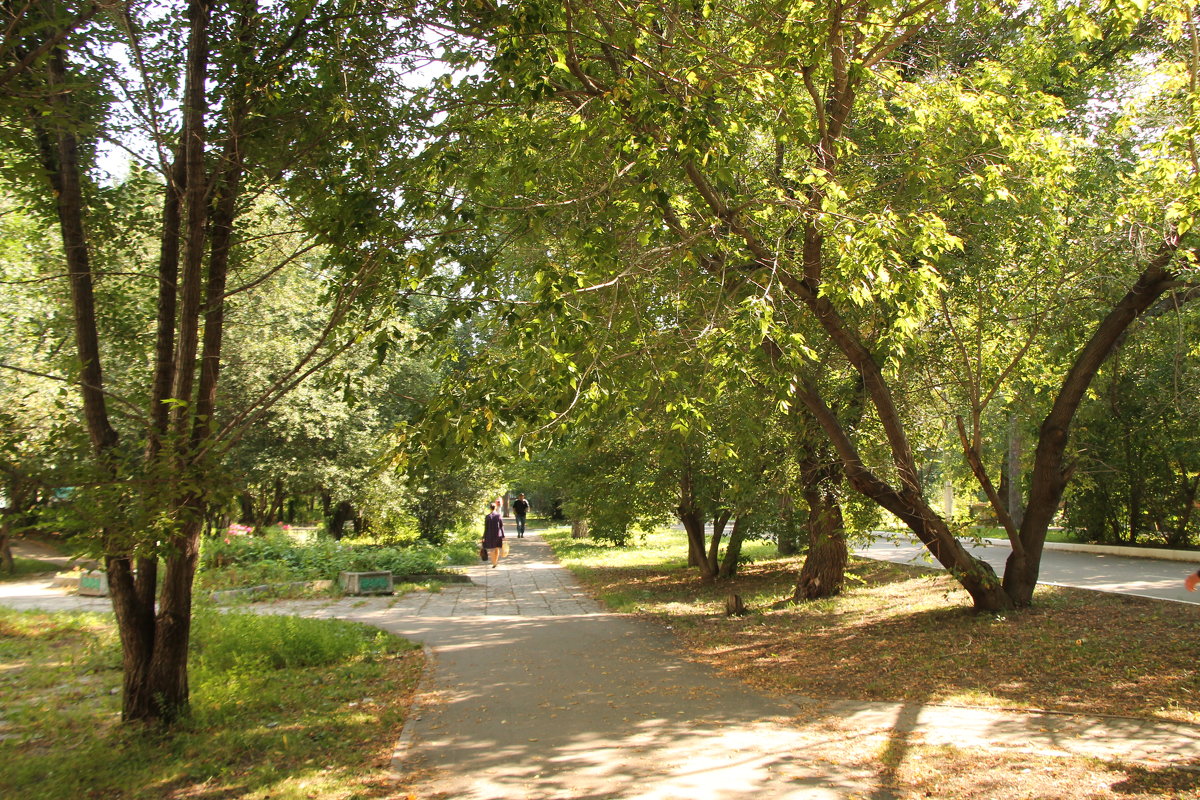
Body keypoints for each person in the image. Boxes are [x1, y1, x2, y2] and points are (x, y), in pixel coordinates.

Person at [482, 500, 505, 568]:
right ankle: (496, 562)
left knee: (492, 549)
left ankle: (494, 563)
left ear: (490, 508)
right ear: (495, 508)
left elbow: (486, 527)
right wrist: (503, 535)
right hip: (498, 534)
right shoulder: (498, 516)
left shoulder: (487, 516)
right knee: (497, 549)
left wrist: (483, 536)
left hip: (489, 535)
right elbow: (501, 526)